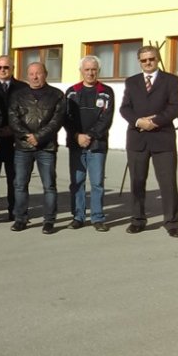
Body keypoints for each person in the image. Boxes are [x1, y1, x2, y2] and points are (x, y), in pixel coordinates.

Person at [119, 45, 178, 238]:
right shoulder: (131, 82)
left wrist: (154, 122)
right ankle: (137, 220)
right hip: (137, 139)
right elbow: (125, 108)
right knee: (137, 181)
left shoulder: (171, 80)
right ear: (139, 61)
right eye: (144, 60)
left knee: (168, 183)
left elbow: (176, 107)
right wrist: (139, 122)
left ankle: (172, 222)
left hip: (162, 138)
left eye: (151, 59)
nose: (148, 63)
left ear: (157, 59)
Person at [8, 62, 65, 234]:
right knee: (20, 184)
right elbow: (13, 117)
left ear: (45, 74)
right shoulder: (18, 95)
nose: (35, 77)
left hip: (46, 147)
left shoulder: (57, 95)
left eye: (38, 73)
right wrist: (26, 136)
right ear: (27, 75)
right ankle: (20, 218)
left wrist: (39, 137)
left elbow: (57, 120)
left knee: (49, 185)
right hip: (22, 146)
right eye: (31, 73)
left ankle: (49, 221)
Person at [64, 56, 115, 232]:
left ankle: (97, 217)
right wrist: (77, 136)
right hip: (76, 144)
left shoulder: (106, 92)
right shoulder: (71, 92)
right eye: (87, 69)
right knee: (77, 182)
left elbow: (106, 119)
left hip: (97, 145)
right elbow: (67, 117)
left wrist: (90, 136)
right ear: (81, 71)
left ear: (98, 71)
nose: (90, 73)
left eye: (94, 69)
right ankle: (78, 217)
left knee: (97, 183)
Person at [0, 55, 25, 223]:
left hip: (14, 141)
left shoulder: (23, 88)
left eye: (6, 67)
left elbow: (26, 113)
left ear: (13, 68)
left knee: (14, 179)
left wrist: (16, 131)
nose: (2, 70)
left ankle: (14, 211)